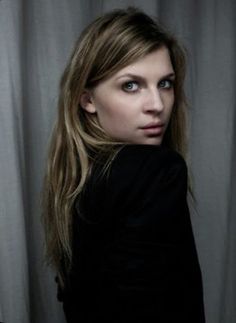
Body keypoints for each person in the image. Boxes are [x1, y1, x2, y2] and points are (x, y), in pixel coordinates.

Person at [42, 7, 205, 322]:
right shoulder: (157, 170)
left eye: (165, 84)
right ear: (86, 98)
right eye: (131, 85)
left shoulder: (75, 178)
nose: (156, 105)